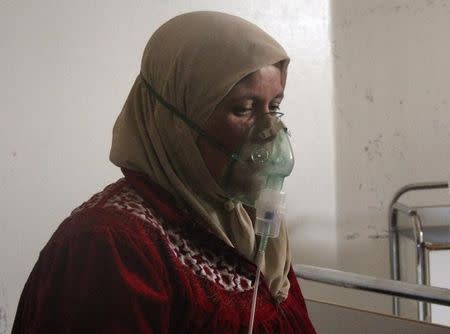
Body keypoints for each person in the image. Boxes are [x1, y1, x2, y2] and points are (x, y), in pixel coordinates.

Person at [12, 11, 316, 333]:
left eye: (275, 107)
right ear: (175, 120)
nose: (271, 131)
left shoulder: (253, 227)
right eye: (244, 109)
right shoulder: (111, 244)